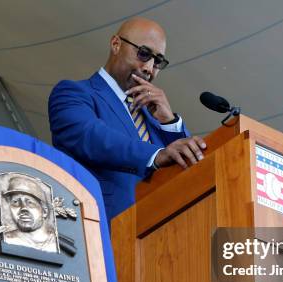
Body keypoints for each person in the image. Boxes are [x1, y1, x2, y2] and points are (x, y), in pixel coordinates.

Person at [49, 17, 207, 222]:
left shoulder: (152, 117)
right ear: (116, 44)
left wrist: (168, 122)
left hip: (162, 239)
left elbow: (189, 174)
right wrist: (156, 155)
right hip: (102, 232)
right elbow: (93, 137)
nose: (149, 68)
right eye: (144, 54)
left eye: (158, 61)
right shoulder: (73, 93)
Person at [1, 176, 59, 253]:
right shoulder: (6, 238)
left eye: (30, 202)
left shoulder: (56, 242)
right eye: (15, 202)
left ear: (44, 211)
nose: (23, 208)